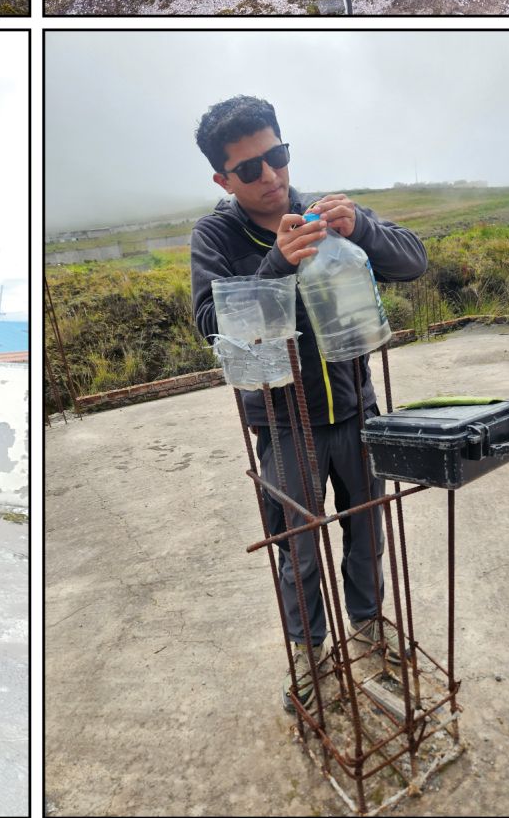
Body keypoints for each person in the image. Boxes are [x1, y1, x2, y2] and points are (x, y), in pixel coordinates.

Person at [188, 95, 429, 715]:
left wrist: (364, 230)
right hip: (281, 421)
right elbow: (212, 322)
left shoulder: (323, 212)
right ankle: (311, 656)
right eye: (250, 169)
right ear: (223, 178)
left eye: (278, 156)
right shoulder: (215, 235)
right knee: (297, 547)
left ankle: (371, 638)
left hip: (355, 407)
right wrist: (276, 265)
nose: (271, 176)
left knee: (369, 530)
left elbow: (414, 262)